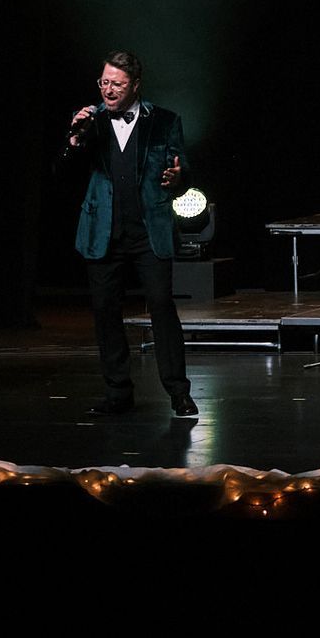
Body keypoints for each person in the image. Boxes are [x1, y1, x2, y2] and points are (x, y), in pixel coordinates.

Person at [66, 52, 196, 418]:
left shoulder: (165, 121)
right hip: (102, 231)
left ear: (135, 86)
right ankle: (117, 392)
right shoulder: (90, 121)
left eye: (117, 84)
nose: (108, 90)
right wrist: (74, 138)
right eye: (104, 83)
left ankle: (178, 392)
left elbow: (182, 168)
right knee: (106, 311)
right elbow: (65, 167)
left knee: (161, 307)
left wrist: (178, 179)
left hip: (148, 231)